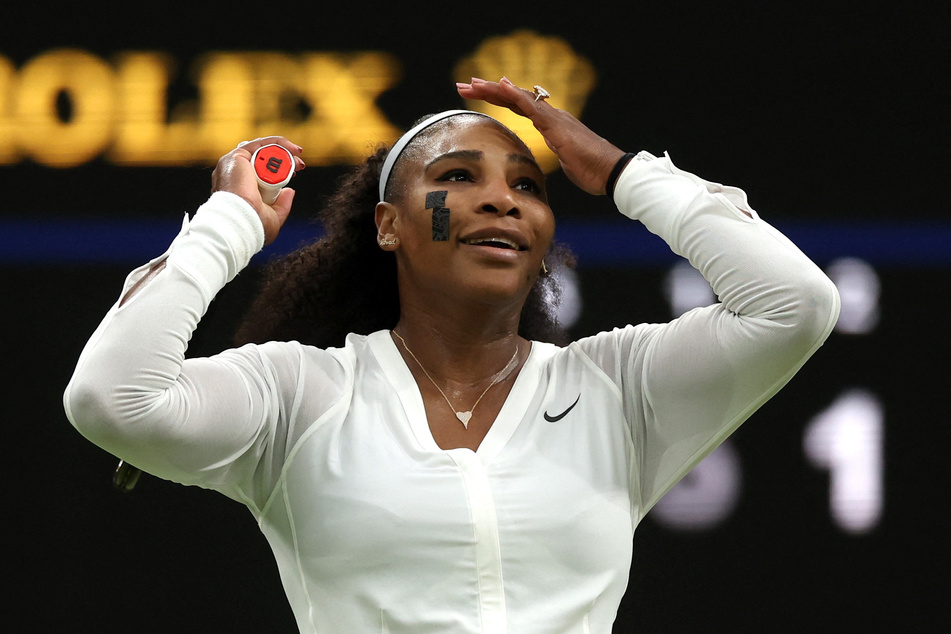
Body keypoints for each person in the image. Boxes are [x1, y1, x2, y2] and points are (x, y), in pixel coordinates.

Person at [64, 77, 840, 633]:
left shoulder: (616, 389)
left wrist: (620, 173)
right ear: (388, 225)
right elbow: (112, 399)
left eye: (528, 186)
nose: (502, 198)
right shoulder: (301, 393)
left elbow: (794, 303)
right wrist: (227, 225)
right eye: (458, 177)